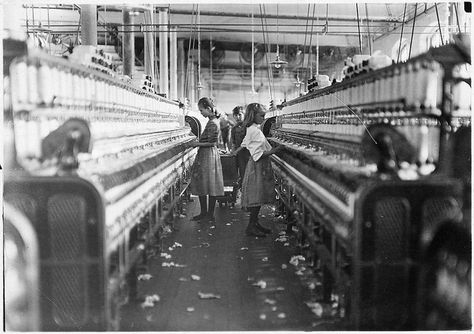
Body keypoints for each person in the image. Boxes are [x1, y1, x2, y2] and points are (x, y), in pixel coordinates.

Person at [238, 103, 281, 237]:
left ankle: (255, 223)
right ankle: (251, 227)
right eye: (261, 115)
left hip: (257, 166)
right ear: (253, 115)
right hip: (258, 167)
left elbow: (245, 143)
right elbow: (258, 154)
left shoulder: (253, 129)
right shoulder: (255, 130)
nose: (264, 118)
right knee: (257, 196)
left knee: (258, 196)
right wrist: (275, 150)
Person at [188, 97, 224, 222]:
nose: (201, 113)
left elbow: (212, 143)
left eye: (202, 110)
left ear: (208, 109)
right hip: (206, 155)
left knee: (209, 184)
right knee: (204, 184)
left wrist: (196, 144)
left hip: (208, 155)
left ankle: (209, 215)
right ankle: (205, 213)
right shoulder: (212, 121)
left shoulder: (213, 123)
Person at [230, 105, 250, 188]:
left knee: (246, 174)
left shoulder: (248, 127)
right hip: (238, 154)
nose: (237, 117)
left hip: (247, 154)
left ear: (244, 115)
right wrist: (232, 150)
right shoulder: (234, 128)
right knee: (238, 174)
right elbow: (233, 142)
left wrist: (236, 151)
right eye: (235, 115)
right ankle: (241, 191)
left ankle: (246, 192)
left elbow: (247, 142)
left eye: (239, 114)